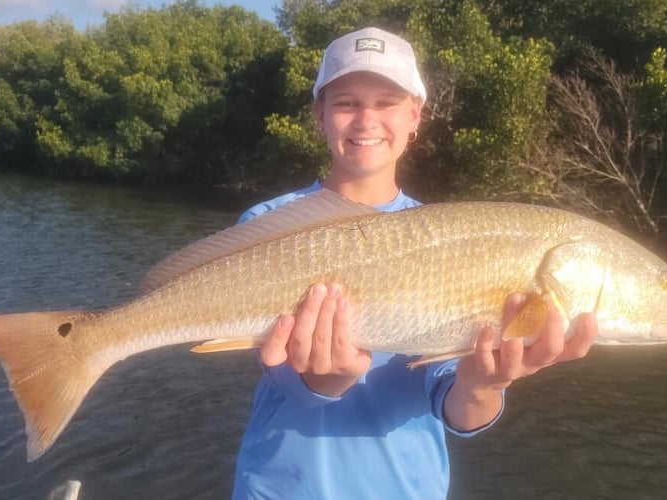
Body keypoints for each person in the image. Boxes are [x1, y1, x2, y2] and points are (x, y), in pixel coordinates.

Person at [231, 27, 598, 499]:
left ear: (415, 117)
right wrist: (319, 379)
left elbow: (459, 408)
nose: (367, 120)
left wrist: (484, 384)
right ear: (320, 114)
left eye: (386, 102)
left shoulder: (450, 238)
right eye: (346, 102)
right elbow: (276, 365)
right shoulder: (270, 224)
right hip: (280, 488)